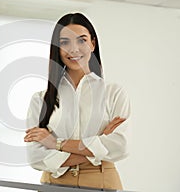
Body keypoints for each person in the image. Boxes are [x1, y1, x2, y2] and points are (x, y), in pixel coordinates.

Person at [24, 13, 130, 190]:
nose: (74, 49)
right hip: (53, 184)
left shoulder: (113, 92)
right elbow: (35, 157)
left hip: (101, 181)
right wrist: (99, 145)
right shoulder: (40, 99)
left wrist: (55, 144)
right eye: (65, 42)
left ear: (92, 44)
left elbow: (121, 146)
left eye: (82, 40)